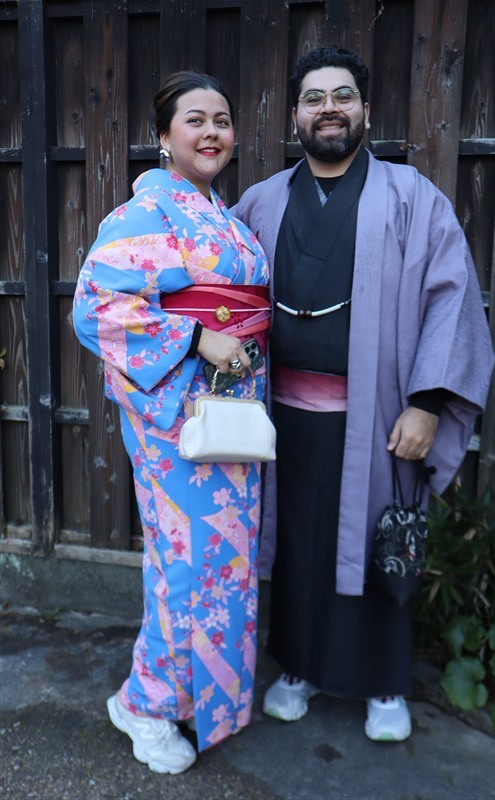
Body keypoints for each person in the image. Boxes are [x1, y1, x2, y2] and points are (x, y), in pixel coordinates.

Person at [232, 46, 495, 742]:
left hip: (379, 416)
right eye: (314, 98)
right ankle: (296, 668)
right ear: (295, 116)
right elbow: (221, 298)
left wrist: (427, 404)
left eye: (342, 96)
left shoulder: (412, 198)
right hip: (280, 418)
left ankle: (383, 683)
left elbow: (451, 299)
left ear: (366, 111)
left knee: (379, 543)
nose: (329, 110)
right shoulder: (260, 202)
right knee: (294, 546)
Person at [73, 71, 270, 773]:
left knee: (226, 563)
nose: (212, 132)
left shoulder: (226, 219)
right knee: (183, 566)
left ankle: (198, 699)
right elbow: (96, 308)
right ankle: (145, 703)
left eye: (222, 120)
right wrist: (195, 337)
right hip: (176, 418)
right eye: (195, 119)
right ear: (164, 136)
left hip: (231, 411)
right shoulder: (146, 213)